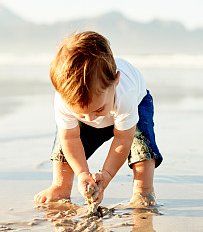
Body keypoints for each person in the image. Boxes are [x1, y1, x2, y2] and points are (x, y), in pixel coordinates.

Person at [34, 31, 163, 206]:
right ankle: (60, 186)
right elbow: (69, 138)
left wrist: (107, 175)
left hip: (137, 104)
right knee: (63, 146)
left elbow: (123, 138)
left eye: (98, 109)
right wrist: (82, 174)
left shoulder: (126, 95)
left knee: (142, 145)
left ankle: (144, 189)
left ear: (115, 81)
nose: (91, 118)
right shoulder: (64, 100)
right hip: (99, 109)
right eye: (81, 112)